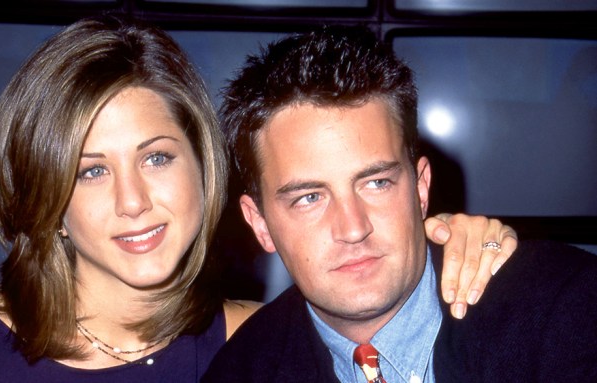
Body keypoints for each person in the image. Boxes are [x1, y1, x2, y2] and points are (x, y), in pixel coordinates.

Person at [0, 15, 516, 383]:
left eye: (156, 158)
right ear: (46, 196)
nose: (134, 201)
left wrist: (462, 246)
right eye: (90, 172)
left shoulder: (258, 341)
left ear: (202, 173)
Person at [201, 24, 597, 382]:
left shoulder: (564, 310)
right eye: (309, 198)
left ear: (421, 189)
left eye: (376, 183)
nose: (353, 228)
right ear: (260, 224)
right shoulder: (239, 371)